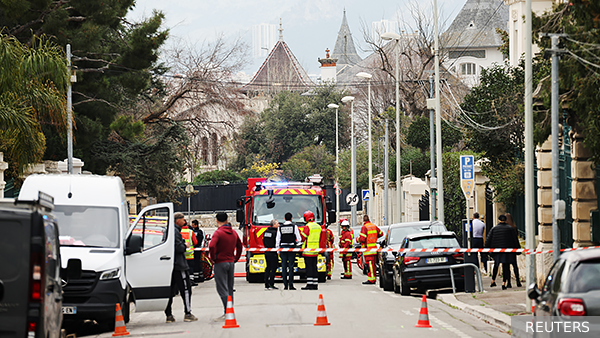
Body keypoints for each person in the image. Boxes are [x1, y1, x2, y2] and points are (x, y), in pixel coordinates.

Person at [209, 212, 243, 321]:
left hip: (220, 262)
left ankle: (227, 311)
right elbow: (239, 245)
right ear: (227, 219)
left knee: (221, 288)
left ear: (216, 220)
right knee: (229, 288)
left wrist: (214, 257)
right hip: (230, 262)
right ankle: (230, 310)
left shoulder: (218, 233)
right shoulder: (233, 233)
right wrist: (236, 258)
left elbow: (212, 246)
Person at [165, 212, 197, 323]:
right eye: (183, 220)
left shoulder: (170, 230)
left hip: (170, 265)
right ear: (177, 220)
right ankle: (187, 313)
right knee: (186, 289)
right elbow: (178, 247)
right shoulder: (175, 231)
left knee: (170, 291)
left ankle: (168, 314)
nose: (185, 222)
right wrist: (184, 245)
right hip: (179, 265)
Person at [485, 214, 520, 290]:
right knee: (506, 267)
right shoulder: (510, 229)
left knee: (496, 266)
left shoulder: (494, 229)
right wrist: (518, 249)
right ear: (505, 220)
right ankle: (504, 283)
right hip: (508, 251)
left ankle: (493, 281)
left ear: (498, 220)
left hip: (497, 252)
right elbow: (515, 240)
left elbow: (488, 240)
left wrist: (487, 250)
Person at [276, 212, 302, 290]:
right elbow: (299, 239)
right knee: (291, 266)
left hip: (283, 248)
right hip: (291, 247)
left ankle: (285, 285)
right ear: (291, 218)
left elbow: (278, 239)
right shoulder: (294, 226)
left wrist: (278, 250)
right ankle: (291, 285)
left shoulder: (280, 227)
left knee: (284, 267)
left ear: (284, 218)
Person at [358, 215, 383, 285]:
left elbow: (362, 239)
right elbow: (381, 233)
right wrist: (375, 237)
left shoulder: (364, 227)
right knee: (373, 265)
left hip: (368, 250)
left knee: (370, 266)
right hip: (374, 249)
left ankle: (371, 279)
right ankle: (373, 278)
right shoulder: (374, 226)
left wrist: (357, 239)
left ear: (363, 220)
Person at [300, 210, 322, 290]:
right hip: (315, 250)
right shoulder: (318, 226)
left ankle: (309, 284)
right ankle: (315, 284)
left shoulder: (307, 227)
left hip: (308, 250)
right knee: (314, 267)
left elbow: (302, 238)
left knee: (309, 268)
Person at [505, 213, 522, 287]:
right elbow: (516, 238)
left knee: (507, 266)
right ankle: (518, 281)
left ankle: (508, 282)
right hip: (513, 249)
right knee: (515, 265)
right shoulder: (514, 227)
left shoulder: (505, 228)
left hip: (506, 249)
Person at [180, 220, 198, 286]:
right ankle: (191, 281)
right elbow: (195, 242)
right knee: (190, 268)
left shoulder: (179, 232)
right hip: (190, 254)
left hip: (182, 254)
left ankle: (184, 281)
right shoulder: (191, 232)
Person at [263, 219, 279, 290]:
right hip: (273, 252)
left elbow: (263, 241)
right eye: (277, 223)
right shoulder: (276, 233)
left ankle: (266, 284)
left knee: (268, 268)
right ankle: (271, 284)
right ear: (274, 225)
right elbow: (277, 242)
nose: (279, 225)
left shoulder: (266, 232)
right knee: (273, 268)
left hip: (267, 251)